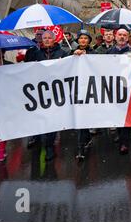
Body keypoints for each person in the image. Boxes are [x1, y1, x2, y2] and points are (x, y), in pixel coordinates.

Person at [31, 30, 69, 160]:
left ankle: (49, 147)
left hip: (56, 92)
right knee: (42, 119)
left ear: (54, 39)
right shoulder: (36, 54)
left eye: (49, 38)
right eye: (44, 38)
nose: (46, 40)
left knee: (52, 120)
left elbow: (69, 68)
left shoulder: (62, 53)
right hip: (40, 92)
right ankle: (42, 141)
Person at [107, 29, 131, 154]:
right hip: (113, 87)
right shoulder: (109, 52)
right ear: (115, 36)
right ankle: (119, 133)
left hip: (127, 88)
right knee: (116, 113)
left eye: (125, 35)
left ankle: (124, 142)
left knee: (126, 114)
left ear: (128, 37)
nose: (122, 37)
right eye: (120, 35)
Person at [72, 30, 97, 161]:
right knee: (80, 117)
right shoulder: (72, 53)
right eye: (80, 38)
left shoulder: (94, 53)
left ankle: (85, 138)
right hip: (77, 89)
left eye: (85, 38)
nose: (83, 40)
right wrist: (73, 55)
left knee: (86, 116)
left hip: (90, 89)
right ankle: (80, 147)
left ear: (89, 41)